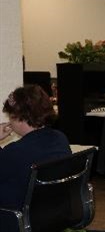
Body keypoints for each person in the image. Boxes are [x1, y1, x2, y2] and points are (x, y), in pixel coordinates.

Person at [0, 85, 72, 231]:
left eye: (10, 117)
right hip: (53, 213)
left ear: (20, 118)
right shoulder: (60, 138)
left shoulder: (15, 151)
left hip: (15, 217)